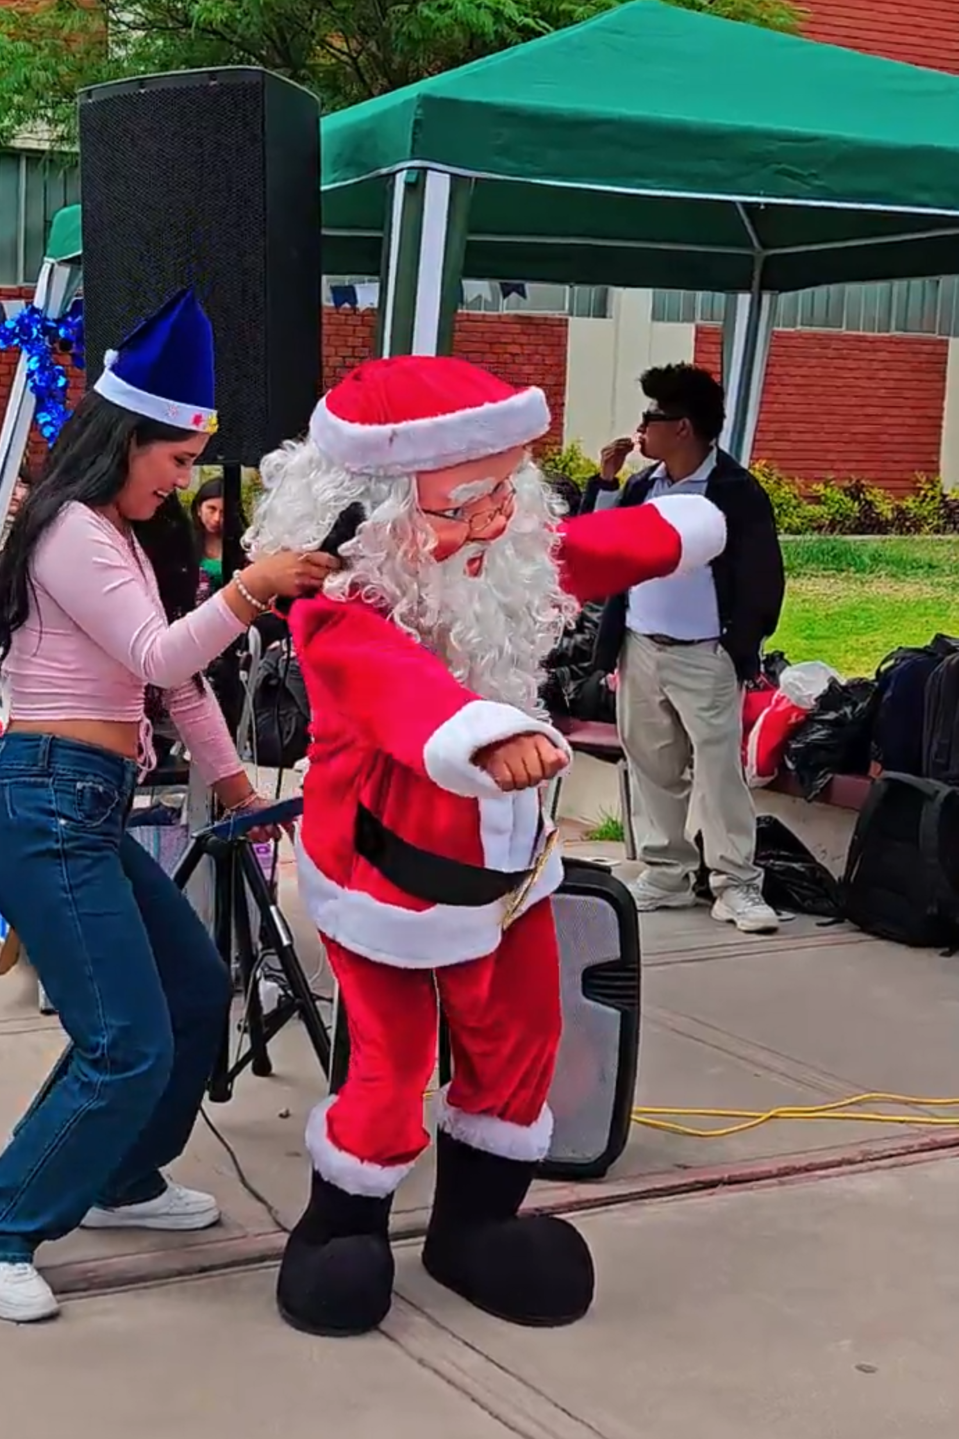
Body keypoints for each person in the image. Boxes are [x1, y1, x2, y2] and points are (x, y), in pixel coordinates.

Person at [246, 354, 727, 1337]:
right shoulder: (340, 602)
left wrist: (674, 527)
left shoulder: (498, 559)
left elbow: (574, 550)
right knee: (389, 1059)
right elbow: (385, 680)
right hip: (390, 876)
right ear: (364, 512)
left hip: (510, 874)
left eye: (506, 492)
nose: (494, 524)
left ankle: (476, 1225)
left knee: (522, 1039)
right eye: (462, 506)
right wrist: (480, 733)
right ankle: (344, 1222)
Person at [0, 287, 339, 1325]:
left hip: (84, 805)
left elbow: (177, 689)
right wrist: (251, 588)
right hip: (45, 803)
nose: (178, 482)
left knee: (196, 992)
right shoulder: (74, 528)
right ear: (126, 439)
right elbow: (161, 655)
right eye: (171, 461)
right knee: (127, 1037)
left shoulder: (115, 534)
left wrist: (247, 790)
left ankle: (123, 1175)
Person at [586, 363, 785, 935]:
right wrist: (604, 482)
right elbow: (600, 550)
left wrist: (738, 646)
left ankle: (737, 883)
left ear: (684, 427)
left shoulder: (734, 491)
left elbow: (761, 578)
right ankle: (666, 873)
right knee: (653, 766)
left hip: (706, 653)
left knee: (719, 771)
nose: (641, 428)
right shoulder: (643, 485)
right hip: (641, 647)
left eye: (653, 417)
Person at [190, 475, 225, 597]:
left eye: (223, 512)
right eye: (211, 509)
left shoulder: (244, 545)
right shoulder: (185, 542)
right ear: (199, 509)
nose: (216, 518)